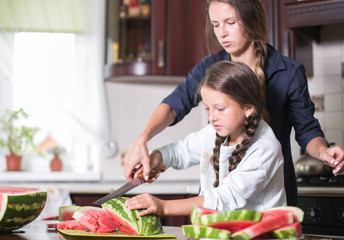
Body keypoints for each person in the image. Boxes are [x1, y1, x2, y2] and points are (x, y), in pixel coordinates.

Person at [124, 0, 344, 206]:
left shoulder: (289, 72)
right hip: (220, 207)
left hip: (269, 201)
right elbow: (174, 105)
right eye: (215, 24)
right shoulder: (210, 67)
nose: (222, 33)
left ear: (251, 20)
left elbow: (307, 131)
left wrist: (323, 152)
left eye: (230, 23)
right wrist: (143, 140)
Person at [125, 61, 287, 216]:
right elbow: (179, 152)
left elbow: (227, 197)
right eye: (207, 109)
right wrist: (157, 160)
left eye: (220, 109)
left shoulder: (265, 148)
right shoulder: (212, 133)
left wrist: (164, 207)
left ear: (248, 108)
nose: (212, 117)